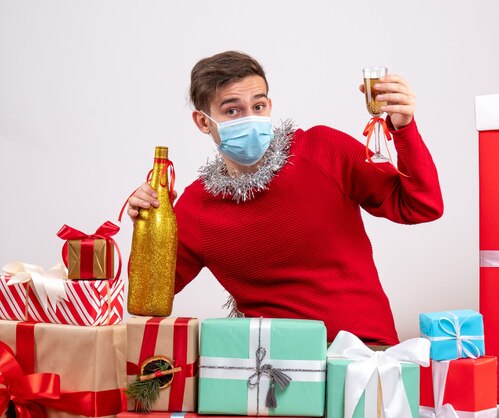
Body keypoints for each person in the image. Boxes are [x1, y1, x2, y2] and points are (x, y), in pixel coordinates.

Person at [127, 51, 443, 345]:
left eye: (258, 106)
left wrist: (404, 129)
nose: (249, 117)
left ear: (269, 106)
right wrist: (148, 225)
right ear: (202, 121)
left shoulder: (322, 150)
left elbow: (421, 205)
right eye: (232, 110)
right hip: (273, 370)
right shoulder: (196, 207)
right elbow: (150, 297)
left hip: (365, 351)